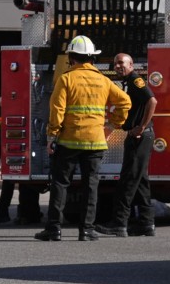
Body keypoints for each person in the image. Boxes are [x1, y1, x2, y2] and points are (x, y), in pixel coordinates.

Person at [35, 35, 130, 242]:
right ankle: (86, 230)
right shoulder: (103, 80)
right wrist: (112, 125)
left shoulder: (66, 79)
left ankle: (54, 229)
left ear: (71, 57)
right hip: (95, 142)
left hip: (69, 141)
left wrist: (52, 136)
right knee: (91, 186)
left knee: (60, 184)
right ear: (92, 57)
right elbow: (125, 102)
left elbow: (57, 110)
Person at [96, 52, 157, 238]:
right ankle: (146, 223)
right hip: (138, 136)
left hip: (139, 136)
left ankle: (119, 223)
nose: (117, 67)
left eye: (121, 63)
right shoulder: (129, 82)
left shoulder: (136, 81)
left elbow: (152, 101)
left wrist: (141, 126)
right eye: (115, 64)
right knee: (141, 182)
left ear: (131, 65)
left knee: (127, 181)